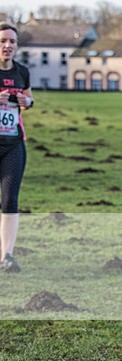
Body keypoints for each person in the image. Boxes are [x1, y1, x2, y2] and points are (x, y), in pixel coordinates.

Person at [0, 22, 33, 273]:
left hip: (13, 144)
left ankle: (7, 256)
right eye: (2, 41)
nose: (7, 45)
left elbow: (29, 99)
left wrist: (26, 101)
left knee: (10, 199)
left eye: (11, 41)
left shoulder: (22, 72)